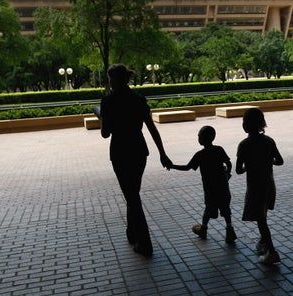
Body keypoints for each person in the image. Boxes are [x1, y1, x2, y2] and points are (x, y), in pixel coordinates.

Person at [100, 63, 172, 257]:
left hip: (120, 152)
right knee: (133, 193)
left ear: (113, 80)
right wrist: (162, 153)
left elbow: (105, 134)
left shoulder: (108, 102)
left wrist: (103, 118)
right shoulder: (138, 99)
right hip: (139, 151)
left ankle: (144, 242)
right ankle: (132, 233)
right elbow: (151, 128)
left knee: (131, 196)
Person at [169, 125, 236, 243]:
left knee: (208, 209)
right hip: (223, 186)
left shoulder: (200, 155)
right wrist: (227, 172)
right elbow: (229, 163)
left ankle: (203, 229)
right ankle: (230, 231)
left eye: (199, 136)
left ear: (202, 139)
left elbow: (187, 167)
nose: (198, 138)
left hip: (210, 188)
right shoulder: (219, 149)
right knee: (225, 208)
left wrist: (172, 166)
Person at [236, 107, 284, 265]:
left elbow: (238, 170)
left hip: (255, 187)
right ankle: (264, 243)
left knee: (261, 220)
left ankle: (272, 251)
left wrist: (248, 167)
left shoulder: (243, 145)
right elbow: (280, 161)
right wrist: (269, 161)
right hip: (269, 184)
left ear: (245, 126)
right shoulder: (269, 141)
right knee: (263, 216)